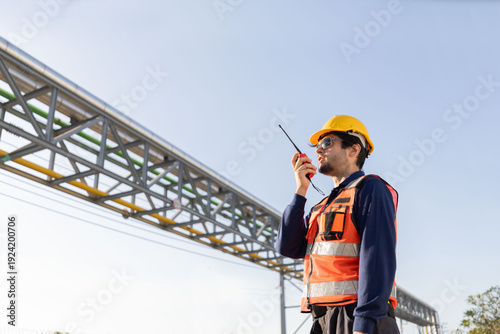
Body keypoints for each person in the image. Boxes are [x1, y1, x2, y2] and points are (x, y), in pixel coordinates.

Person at [275, 115, 400, 334]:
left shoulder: (370, 188)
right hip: (323, 320)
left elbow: (377, 258)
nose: (318, 151)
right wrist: (301, 190)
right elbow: (287, 247)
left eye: (326, 142)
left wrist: (364, 323)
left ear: (353, 149)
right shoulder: (321, 207)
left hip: (358, 317)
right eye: (317, 146)